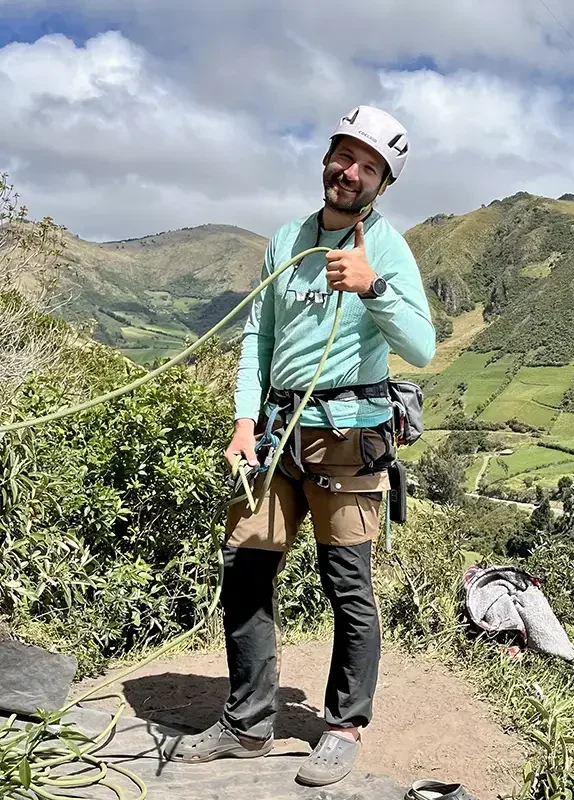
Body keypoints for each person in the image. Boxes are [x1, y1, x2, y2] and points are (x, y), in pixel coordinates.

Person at [164, 105, 436, 787]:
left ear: (383, 183)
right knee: (246, 571)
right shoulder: (288, 239)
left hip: (347, 437)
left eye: (367, 165)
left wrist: (372, 288)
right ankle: (247, 723)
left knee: (347, 584)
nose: (349, 171)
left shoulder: (388, 249)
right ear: (327, 160)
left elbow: (421, 348)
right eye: (343, 156)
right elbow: (258, 335)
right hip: (278, 434)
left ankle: (343, 727)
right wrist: (242, 423)